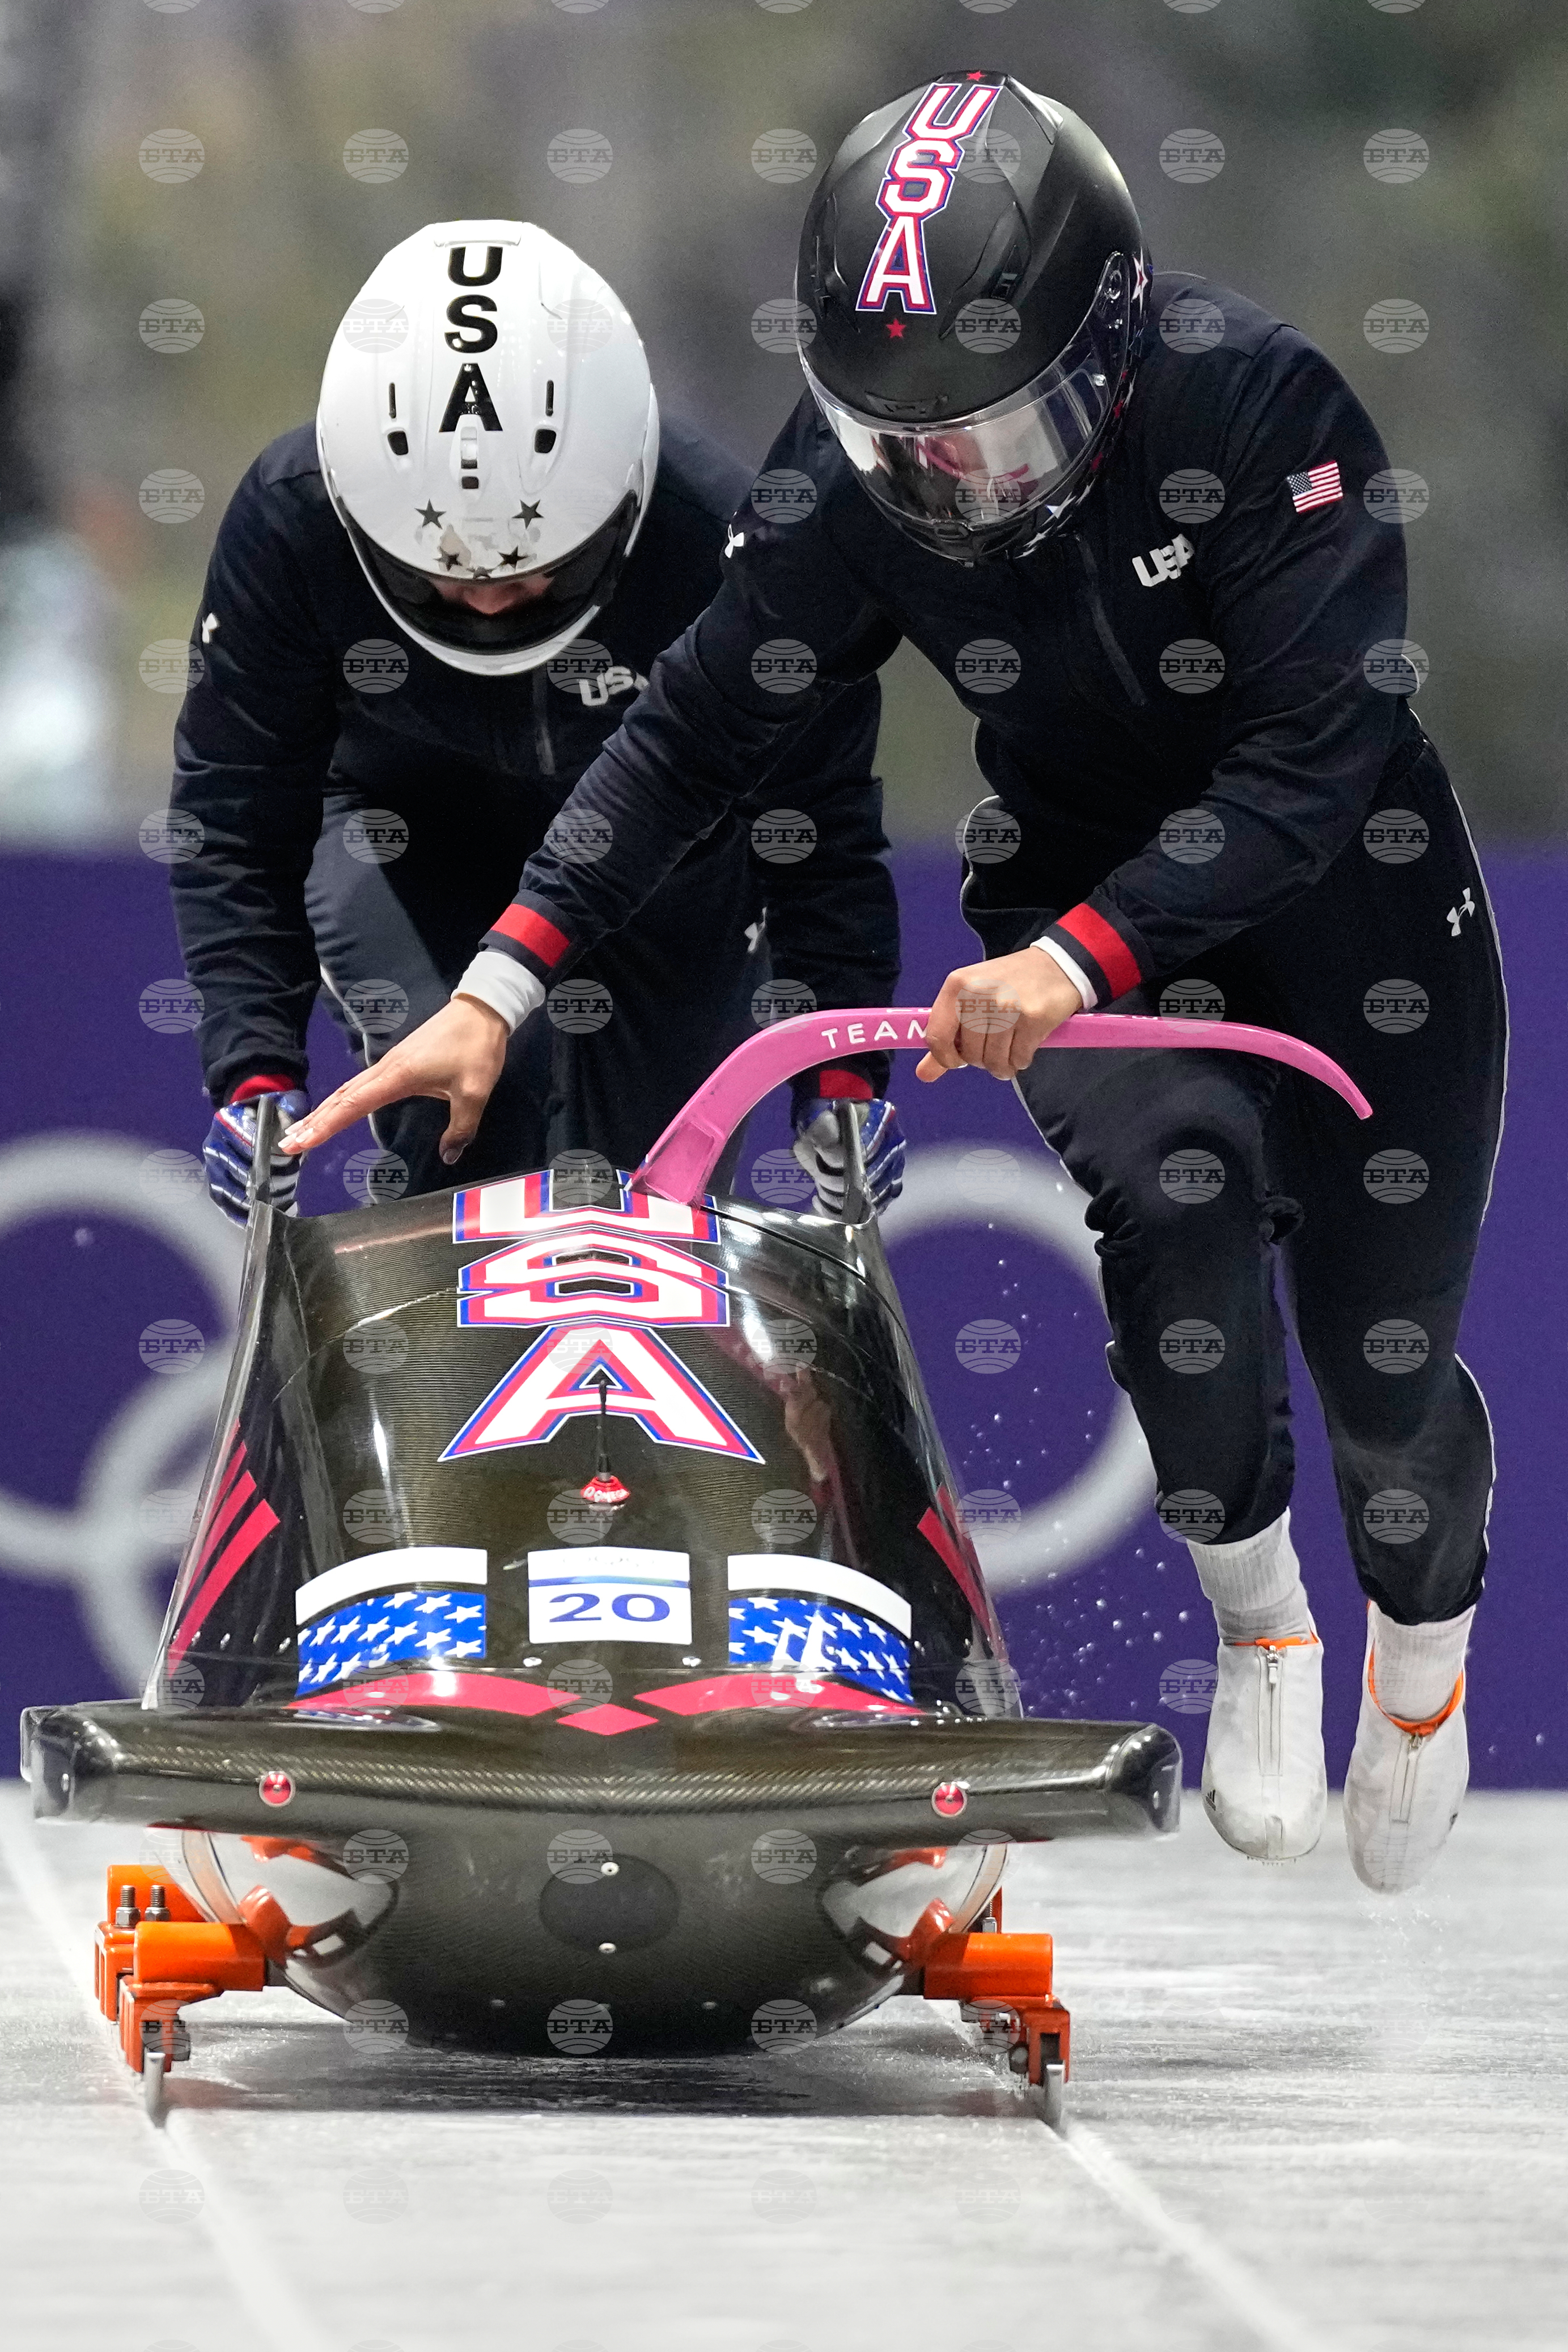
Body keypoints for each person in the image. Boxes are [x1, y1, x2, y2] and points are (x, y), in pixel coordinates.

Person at [283, 85, 1505, 1895]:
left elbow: (1308, 761)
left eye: (998, 439)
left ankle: (1417, 1652)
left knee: (1375, 1370)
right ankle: (1262, 1626)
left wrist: (1067, 958)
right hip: (1072, 906)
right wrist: (500, 978)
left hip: (1359, 919)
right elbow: (698, 719)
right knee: (1172, 1221)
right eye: (905, 445)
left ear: (1105, 349)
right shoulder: (866, 476)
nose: (956, 487)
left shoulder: (1262, 409)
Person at [170, 218, 905, 1223]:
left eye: (534, 571)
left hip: (668, 857)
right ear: (356, 509)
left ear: (625, 503)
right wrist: (251, 1065)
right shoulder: (289, 527)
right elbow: (236, 814)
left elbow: (817, 821)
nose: (483, 604)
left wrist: (842, 1074)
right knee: (466, 1115)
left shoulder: (724, 536)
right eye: (435, 578)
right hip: (408, 832)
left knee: (647, 1204)